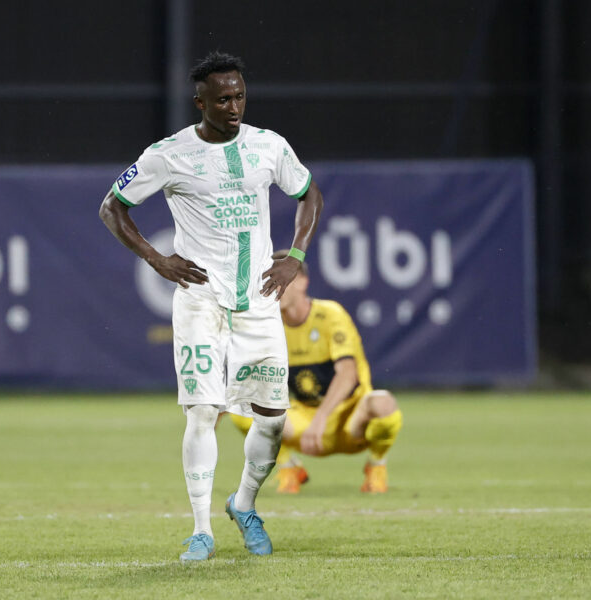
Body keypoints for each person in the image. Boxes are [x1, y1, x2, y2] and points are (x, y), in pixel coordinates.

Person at [99, 51, 323, 561]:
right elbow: (112, 206)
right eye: (222, 99)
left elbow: (309, 194)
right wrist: (156, 258)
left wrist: (295, 258)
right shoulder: (168, 154)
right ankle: (201, 529)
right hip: (201, 300)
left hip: (258, 301)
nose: (234, 106)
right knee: (203, 411)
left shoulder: (269, 145)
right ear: (200, 102)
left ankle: (243, 504)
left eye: (240, 96)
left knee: (272, 419)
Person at [230, 250, 403, 495]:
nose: (273, 288)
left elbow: (347, 375)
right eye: (267, 281)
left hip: (350, 422)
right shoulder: (267, 326)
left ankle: (376, 465)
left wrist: (322, 418)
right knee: (240, 407)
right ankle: (289, 467)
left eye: (280, 279)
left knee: (383, 403)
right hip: (304, 424)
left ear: (302, 281)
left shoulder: (330, 314)